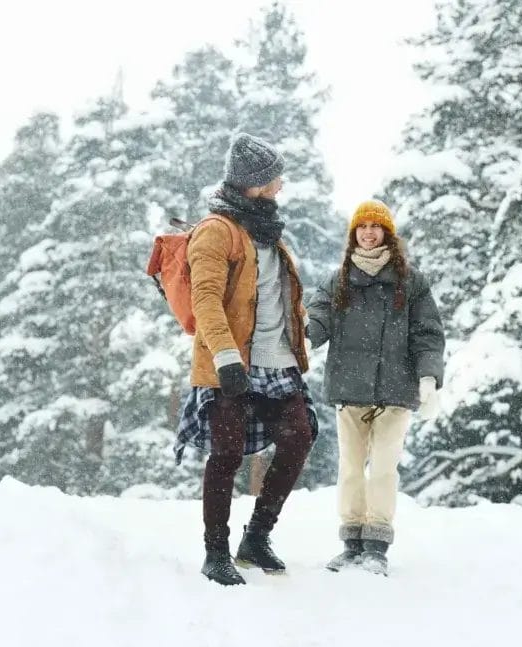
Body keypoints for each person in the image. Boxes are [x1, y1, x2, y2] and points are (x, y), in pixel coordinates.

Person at [175, 132, 317, 586]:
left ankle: (256, 536)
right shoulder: (217, 230)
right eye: (275, 176)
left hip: (278, 364)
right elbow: (207, 299)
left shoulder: (270, 233)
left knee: (299, 436)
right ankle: (215, 550)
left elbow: (279, 301)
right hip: (229, 363)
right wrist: (225, 357)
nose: (281, 184)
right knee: (227, 452)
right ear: (254, 182)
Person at [306, 199, 445, 575]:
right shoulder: (338, 280)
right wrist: (307, 338)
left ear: (387, 234)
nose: (368, 233)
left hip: (395, 392)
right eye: (362, 227)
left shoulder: (410, 282)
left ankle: (376, 546)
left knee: (383, 469)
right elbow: (318, 314)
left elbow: (428, 334)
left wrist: (428, 377)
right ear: (354, 234)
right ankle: (351, 543)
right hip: (349, 390)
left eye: (375, 227)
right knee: (351, 468)